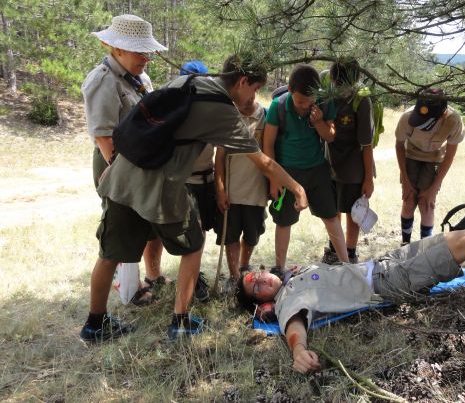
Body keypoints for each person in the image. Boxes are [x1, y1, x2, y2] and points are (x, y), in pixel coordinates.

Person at [237, 148, 465, 374]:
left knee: (454, 237)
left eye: (256, 275)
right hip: (389, 282)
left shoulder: (296, 274)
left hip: (386, 261)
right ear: (263, 305)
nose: (261, 279)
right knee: (464, 243)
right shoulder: (286, 303)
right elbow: (295, 329)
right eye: (256, 288)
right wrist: (298, 351)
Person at [79, 53, 308, 342]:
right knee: (194, 245)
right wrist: (297, 188)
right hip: (160, 183)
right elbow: (262, 162)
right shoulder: (222, 109)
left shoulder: (189, 80)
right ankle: (181, 321)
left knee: (110, 253)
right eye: (253, 88)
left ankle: (94, 325)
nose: (253, 97)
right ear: (242, 81)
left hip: (123, 175)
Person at [82, 14, 169, 305]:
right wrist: (126, 180)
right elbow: (104, 139)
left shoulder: (140, 77)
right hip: (117, 166)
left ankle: (143, 282)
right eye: (139, 50)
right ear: (116, 48)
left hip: (143, 165)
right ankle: (97, 321)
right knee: (118, 241)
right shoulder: (103, 81)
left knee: (145, 226)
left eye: (148, 50)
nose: (147, 57)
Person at [263, 64, 349, 271]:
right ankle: (279, 268)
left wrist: (319, 121)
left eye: (309, 100)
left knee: (330, 215)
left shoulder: (323, 103)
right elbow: (268, 144)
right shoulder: (279, 106)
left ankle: (347, 264)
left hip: (317, 168)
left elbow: (330, 136)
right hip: (286, 172)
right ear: (291, 90)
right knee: (284, 221)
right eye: (300, 101)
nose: (304, 105)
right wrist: (274, 179)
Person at [321, 59, 375, 265]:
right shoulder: (327, 97)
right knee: (332, 210)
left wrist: (368, 178)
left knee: (354, 211)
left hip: (355, 167)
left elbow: (366, 144)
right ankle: (335, 249)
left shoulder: (361, 101)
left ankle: (350, 252)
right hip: (331, 163)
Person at [395, 89, 465, 244]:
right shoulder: (407, 117)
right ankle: (405, 243)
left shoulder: (453, 121)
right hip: (411, 155)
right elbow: (399, 145)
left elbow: (450, 155)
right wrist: (405, 181)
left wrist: (434, 186)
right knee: (409, 200)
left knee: (427, 204)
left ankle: (424, 247)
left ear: (443, 114)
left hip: (435, 158)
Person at [214, 97, 268, 284]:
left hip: (256, 189)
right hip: (231, 190)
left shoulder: (265, 116)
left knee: (253, 235)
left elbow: (270, 152)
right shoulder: (228, 117)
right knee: (230, 235)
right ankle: (234, 275)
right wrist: (220, 189)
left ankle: (244, 266)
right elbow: (219, 157)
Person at [180, 60, 215, 303]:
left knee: (200, 233)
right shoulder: (175, 111)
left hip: (207, 180)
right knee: (190, 235)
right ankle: (185, 285)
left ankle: (194, 278)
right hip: (184, 183)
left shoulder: (212, 110)